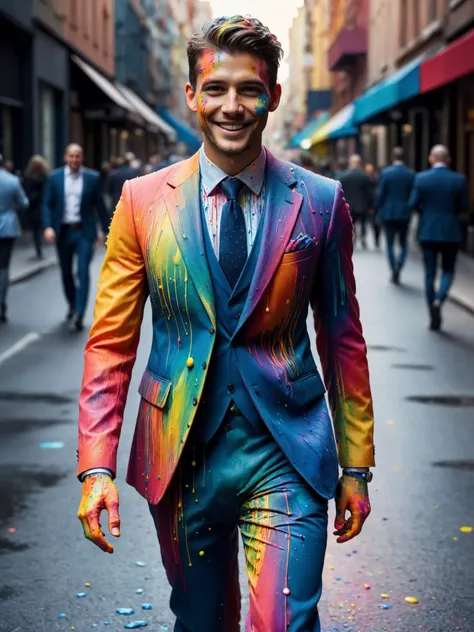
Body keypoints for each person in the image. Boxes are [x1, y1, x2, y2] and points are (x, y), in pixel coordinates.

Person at [77, 16, 375, 632]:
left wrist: (355, 466)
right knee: (201, 620)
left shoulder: (320, 202)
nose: (231, 106)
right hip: (182, 455)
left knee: (284, 623)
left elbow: (342, 339)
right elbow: (111, 343)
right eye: (215, 89)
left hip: (287, 452)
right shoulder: (141, 201)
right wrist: (96, 466)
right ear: (192, 95)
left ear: (274, 96)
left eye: (249, 89)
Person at [42, 143, 110, 332]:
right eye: (71, 156)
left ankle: (80, 313)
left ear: (82, 158)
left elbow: (100, 207)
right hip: (63, 232)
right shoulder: (54, 178)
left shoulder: (93, 178)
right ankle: (72, 303)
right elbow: (47, 204)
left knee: (82, 271)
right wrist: (47, 227)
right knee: (66, 273)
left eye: (77, 156)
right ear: (65, 158)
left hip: (84, 232)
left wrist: (107, 232)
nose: (74, 160)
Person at [409, 144, 468, 331]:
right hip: (450, 231)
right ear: (448, 160)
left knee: (429, 273)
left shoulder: (421, 179)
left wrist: (426, 213)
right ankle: (439, 300)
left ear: (431, 159)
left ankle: (431, 308)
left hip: (428, 230)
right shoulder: (458, 180)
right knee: (448, 270)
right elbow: (464, 207)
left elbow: (413, 203)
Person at [378, 147, 415, 284]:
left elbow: (381, 194)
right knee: (404, 243)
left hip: (388, 212)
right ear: (403, 158)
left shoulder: (386, 173)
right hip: (404, 213)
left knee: (389, 243)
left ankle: (393, 267)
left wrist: (378, 209)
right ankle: (399, 265)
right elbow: (413, 195)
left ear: (392, 157)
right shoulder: (410, 174)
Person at [0, 153, 29, 322]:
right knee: (3, 267)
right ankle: (1, 304)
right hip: (7, 227)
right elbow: (24, 202)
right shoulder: (12, 181)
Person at [339, 154, 374, 249]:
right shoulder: (365, 177)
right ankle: (363, 238)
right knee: (363, 223)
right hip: (362, 205)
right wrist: (371, 205)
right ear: (359, 163)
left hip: (349, 205)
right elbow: (369, 193)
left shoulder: (343, 176)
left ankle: (352, 238)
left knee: (351, 223)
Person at [23, 155, 49, 259]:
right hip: (40, 206)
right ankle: (39, 247)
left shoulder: (29, 176)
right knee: (39, 229)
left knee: (36, 230)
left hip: (35, 206)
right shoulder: (45, 177)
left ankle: (39, 247)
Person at [364, 162, 381, 248]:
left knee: (375, 224)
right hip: (369, 204)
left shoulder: (376, 178)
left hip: (374, 204)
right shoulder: (365, 179)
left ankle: (377, 239)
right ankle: (375, 239)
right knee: (372, 223)